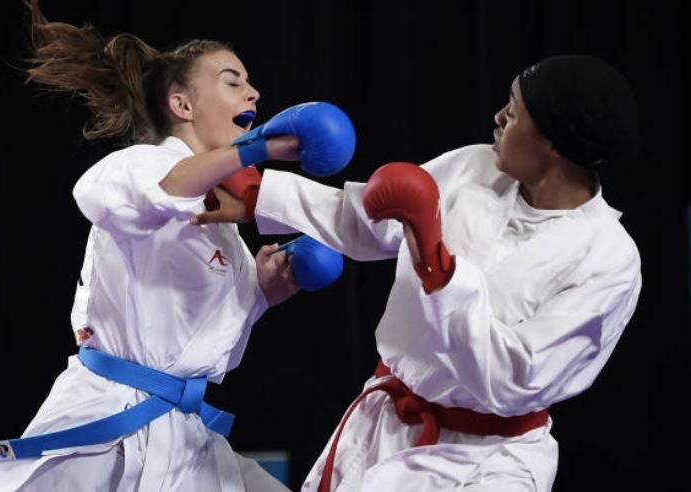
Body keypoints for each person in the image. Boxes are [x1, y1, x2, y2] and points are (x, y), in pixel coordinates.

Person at [192, 54, 642, 491]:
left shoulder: (607, 259)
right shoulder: (474, 168)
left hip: (487, 462)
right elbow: (367, 219)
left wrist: (439, 268)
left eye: (515, 110)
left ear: (554, 142)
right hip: (383, 427)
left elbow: (516, 378)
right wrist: (260, 197)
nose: (499, 117)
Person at [0, 1, 353, 491]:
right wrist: (258, 148)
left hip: (183, 437)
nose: (253, 92)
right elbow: (128, 192)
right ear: (182, 106)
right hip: (107, 422)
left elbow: (191, 334)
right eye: (233, 81)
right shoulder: (140, 165)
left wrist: (260, 292)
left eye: (249, 83)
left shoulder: (223, 222)